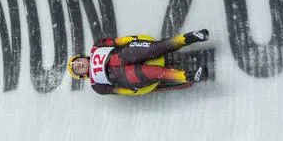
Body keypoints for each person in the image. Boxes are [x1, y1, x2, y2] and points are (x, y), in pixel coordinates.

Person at [66, 29, 210, 96]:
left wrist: (133, 39)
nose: (79, 65)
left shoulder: (97, 46)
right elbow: (118, 91)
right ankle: (190, 76)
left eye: (78, 62)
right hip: (125, 76)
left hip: (124, 54)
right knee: (157, 73)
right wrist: (134, 91)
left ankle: (192, 37)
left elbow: (118, 41)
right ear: (82, 75)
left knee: (158, 47)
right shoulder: (96, 85)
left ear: (82, 57)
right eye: (78, 69)